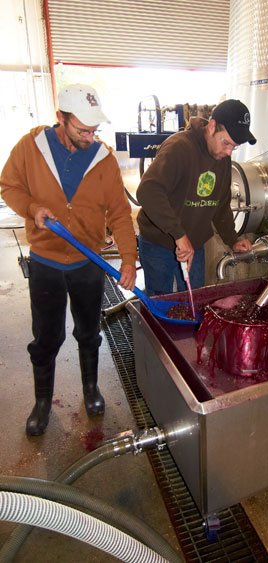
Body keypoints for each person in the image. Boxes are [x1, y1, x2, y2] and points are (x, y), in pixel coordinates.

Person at [0, 83, 138, 436]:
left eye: (94, 130)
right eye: (82, 130)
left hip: (88, 263)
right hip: (46, 262)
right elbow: (8, 186)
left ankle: (91, 389)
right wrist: (32, 209)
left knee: (89, 332)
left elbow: (120, 213)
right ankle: (42, 401)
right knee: (46, 337)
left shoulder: (103, 159)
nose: (90, 137)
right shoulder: (31, 149)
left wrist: (127, 258)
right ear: (60, 118)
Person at [136, 98, 256, 296]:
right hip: (159, 241)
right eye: (226, 142)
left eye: (234, 147)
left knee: (195, 298)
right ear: (211, 127)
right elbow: (148, 191)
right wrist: (178, 234)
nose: (228, 152)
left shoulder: (222, 159)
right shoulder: (179, 148)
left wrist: (232, 239)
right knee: (160, 300)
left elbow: (221, 205)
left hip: (194, 244)